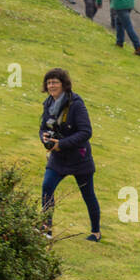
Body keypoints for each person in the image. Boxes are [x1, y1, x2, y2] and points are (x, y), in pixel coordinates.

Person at [39, 68, 102, 241]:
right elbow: (43, 127)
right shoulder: (48, 103)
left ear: (64, 84)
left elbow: (86, 132)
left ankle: (96, 231)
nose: (51, 86)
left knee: (88, 195)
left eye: (55, 82)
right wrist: (44, 138)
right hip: (58, 159)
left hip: (79, 159)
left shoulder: (76, 104)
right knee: (47, 187)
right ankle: (46, 228)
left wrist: (62, 144)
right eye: (49, 82)